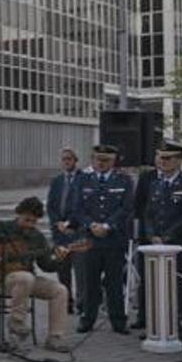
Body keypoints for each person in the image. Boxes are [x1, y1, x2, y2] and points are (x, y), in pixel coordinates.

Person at [0, 197, 72, 352]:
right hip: (2, 279)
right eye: (27, 220)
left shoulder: (37, 237)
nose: (30, 225)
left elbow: (45, 266)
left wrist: (59, 259)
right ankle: (16, 322)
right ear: (18, 214)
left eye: (34, 222)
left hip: (27, 280)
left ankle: (54, 338)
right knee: (25, 277)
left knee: (60, 290)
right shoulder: (3, 228)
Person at [138, 141, 182, 345]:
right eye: (161, 158)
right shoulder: (156, 184)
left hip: (181, 245)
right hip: (157, 246)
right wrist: (152, 235)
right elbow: (148, 214)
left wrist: (167, 237)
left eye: (168, 158)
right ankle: (161, 325)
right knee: (158, 288)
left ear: (179, 160)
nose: (163, 162)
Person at [73, 144, 134, 335]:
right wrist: (92, 225)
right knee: (89, 281)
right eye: (98, 159)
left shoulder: (124, 180)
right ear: (92, 160)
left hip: (113, 239)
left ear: (113, 161)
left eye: (106, 160)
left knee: (114, 282)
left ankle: (118, 320)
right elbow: (77, 208)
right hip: (90, 239)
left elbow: (126, 208)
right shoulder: (83, 180)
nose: (101, 163)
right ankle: (87, 318)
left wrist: (107, 226)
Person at [46, 147, 84, 315]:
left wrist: (70, 224)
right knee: (63, 270)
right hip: (60, 234)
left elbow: (84, 206)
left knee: (81, 271)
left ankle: (82, 304)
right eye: (64, 159)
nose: (66, 162)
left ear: (76, 161)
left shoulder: (85, 179)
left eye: (69, 159)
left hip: (77, 233)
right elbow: (51, 206)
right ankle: (67, 302)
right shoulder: (57, 181)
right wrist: (58, 224)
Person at [130, 155, 160, 331]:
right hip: (147, 237)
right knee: (146, 280)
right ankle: (144, 317)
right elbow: (139, 207)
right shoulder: (147, 178)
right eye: (159, 157)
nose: (163, 161)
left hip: (170, 238)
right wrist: (146, 233)